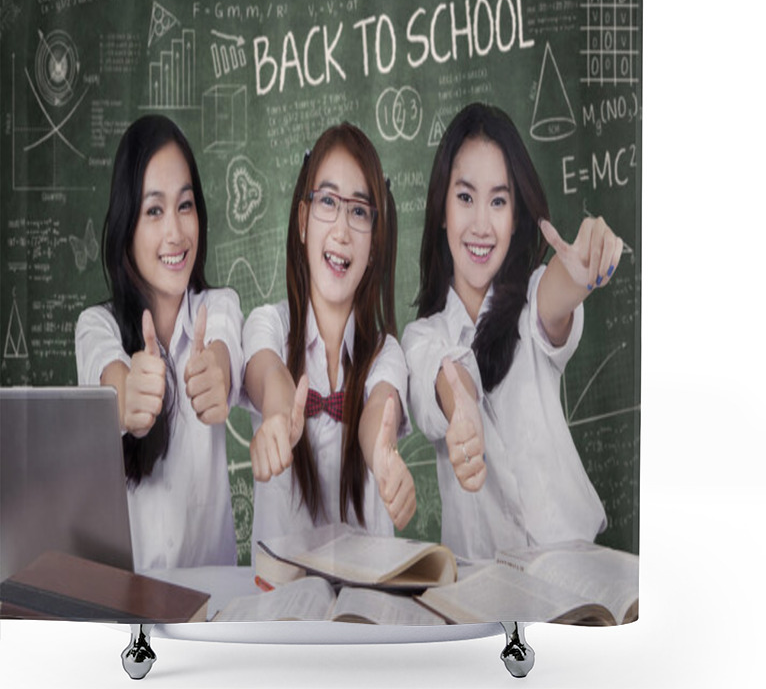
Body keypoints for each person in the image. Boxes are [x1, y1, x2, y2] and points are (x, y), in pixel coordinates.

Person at [402, 103, 622, 560]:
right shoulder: (421, 337)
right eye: (465, 198)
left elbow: (557, 297)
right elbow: (443, 372)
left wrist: (581, 271)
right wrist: (462, 407)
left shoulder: (534, 298)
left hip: (572, 570)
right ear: (441, 210)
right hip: (480, 591)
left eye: (498, 201)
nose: (481, 225)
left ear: (516, 215)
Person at [75, 115, 243, 572]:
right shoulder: (96, 325)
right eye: (154, 210)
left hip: (212, 616)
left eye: (185, 206)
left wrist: (217, 376)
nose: (175, 231)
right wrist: (128, 397)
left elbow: (223, 354)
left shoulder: (220, 307)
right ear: (127, 227)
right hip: (130, 619)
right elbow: (109, 380)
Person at [243, 123, 416, 552]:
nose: (341, 230)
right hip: (283, 608)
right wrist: (280, 418)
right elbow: (268, 375)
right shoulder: (267, 326)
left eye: (359, 211)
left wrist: (384, 458)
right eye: (327, 202)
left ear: (374, 243)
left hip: (366, 607)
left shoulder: (384, 352)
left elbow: (379, 411)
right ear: (303, 221)